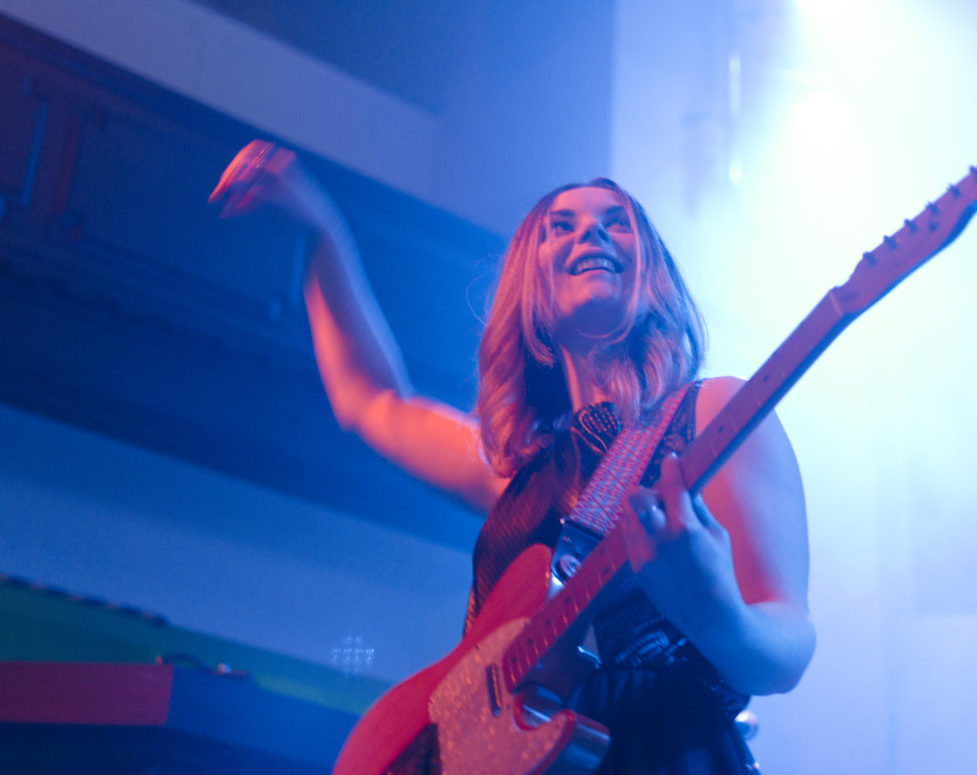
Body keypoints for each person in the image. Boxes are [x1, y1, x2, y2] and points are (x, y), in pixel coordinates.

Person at [210, 140, 815, 773]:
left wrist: (711, 606)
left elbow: (788, 647)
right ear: (532, 283)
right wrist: (322, 228)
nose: (592, 234)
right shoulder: (520, 469)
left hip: (654, 750)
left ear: (653, 274)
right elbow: (370, 400)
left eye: (617, 223)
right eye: (562, 226)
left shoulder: (710, 413)